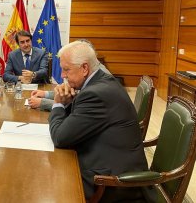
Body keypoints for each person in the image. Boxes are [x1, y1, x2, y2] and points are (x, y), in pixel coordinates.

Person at [49, 40, 148, 201]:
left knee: (51, 180)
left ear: (85, 68)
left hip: (112, 183)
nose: (62, 76)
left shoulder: (96, 94)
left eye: (66, 69)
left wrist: (58, 103)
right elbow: (75, 117)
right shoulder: (100, 82)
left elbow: (60, 137)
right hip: (108, 159)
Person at [28, 39, 112, 111]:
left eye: (66, 69)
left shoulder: (98, 79)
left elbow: (77, 107)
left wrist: (42, 103)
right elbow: (71, 94)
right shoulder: (91, 71)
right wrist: (45, 94)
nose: (62, 75)